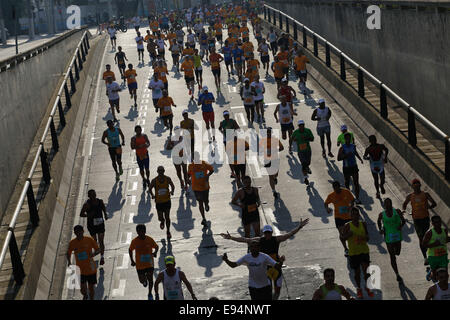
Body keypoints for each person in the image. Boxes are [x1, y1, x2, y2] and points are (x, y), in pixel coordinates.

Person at [221, 220, 309, 300]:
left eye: (269, 233)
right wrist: (231, 237)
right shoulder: (259, 240)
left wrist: (299, 227)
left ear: (271, 233)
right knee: (268, 291)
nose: (267, 235)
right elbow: (245, 240)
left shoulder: (276, 239)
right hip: (266, 268)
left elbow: (289, 234)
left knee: (277, 291)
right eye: (266, 233)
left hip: (276, 267)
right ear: (263, 233)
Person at [341, 207, 375, 299]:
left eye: (356, 214)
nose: (355, 216)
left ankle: (367, 288)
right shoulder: (347, 226)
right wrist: (348, 235)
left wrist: (364, 238)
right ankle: (359, 289)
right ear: (350, 216)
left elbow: (368, 237)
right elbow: (342, 238)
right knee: (357, 273)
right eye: (353, 214)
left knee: (366, 272)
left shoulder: (363, 224)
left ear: (359, 215)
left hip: (364, 251)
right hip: (353, 253)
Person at [402, 178, 437, 265]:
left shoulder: (425, 194)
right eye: (415, 186)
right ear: (412, 187)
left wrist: (428, 208)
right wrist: (403, 210)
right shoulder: (410, 196)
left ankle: (429, 255)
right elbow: (404, 204)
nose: (416, 188)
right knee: (421, 238)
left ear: (420, 186)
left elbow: (434, 203)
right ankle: (425, 257)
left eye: (418, 186)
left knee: (426, 237)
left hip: (425, 219)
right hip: (416, 220)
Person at [67, 225, 100, 300]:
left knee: (91, 288)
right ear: (75, 233)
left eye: (79, 232)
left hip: (91, 269)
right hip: (80, 270)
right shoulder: (72, 243)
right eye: (76, 232)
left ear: (83, 231)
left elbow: (98, 249)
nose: (78, 234)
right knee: (82, 289)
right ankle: (85, 295)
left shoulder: (89, 240)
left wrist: (94, 254)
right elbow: (68, 253)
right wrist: (69, 262)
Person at [377, 198, 406, 282]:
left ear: (391, 203)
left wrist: (400, 226)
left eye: (389, 203)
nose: (387, 205)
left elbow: (403, 221)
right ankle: (397, 274)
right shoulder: (381, 214)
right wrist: (381, 229)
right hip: (388, 238)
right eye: (386, 203)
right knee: (392, 256)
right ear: (384, 205)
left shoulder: (397, 211)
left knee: (397, 252)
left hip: (397, 236)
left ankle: (396, 252)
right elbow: (378, 221)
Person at [324, 181, 356, 256]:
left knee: (350, 232)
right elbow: (325, 203)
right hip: (338, 217)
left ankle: (352, 246)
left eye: (337, 189)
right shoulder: (331, 195)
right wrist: (327, 209)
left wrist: (351, 207)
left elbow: (352, 200)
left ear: (339, 187)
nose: (336, 190)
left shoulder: (346, 192)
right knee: (342, 233)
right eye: (335, 189)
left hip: (348, 216)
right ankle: (345, 249)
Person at [129, 224, 159, 300]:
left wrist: (155, 252)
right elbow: (130, 250)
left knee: (151, 280)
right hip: (140, 265)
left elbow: (156, 246)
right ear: (137, 232)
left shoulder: (149, 239)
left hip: (149, 264)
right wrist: (132, 260)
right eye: (139, 232)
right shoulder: (134, 241)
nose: (141, 233)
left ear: (145, 231)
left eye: (143, 231)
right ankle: (144, 280)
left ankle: (150, 293)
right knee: (142, 280)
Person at [80, 190, 108, 266]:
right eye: (91, 195)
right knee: (94, 241)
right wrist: (88, 215)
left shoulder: (100, 201)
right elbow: (81, 214)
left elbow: (103, 208)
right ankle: (97, 250)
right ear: (89, 196)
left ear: (96, 194)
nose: (93, 196)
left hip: (100, 224)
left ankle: (102, 257)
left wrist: (105, 214)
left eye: (94, 194)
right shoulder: (87, 205)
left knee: (101, 240)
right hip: (91, 225)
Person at [187, 152, 215, 227]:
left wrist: (208, 175)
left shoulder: (204, 164)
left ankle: (207, 204)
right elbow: (188, 174)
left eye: (197, 158)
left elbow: (212, 170)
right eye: (194, 158)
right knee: (200, 202)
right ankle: (203, 218)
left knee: (206, 200)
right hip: (196, 188)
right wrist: (188, 180)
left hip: (205, 186)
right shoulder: (190, 166)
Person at [149, 166, 175, 239]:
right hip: (159, 202)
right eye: (159, 171)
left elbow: (172, 186)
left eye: (162, 171)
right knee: (160, 217)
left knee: (167, 217)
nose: (161, 172)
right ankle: (162, 221)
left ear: (164, 171)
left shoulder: (167, 179)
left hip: (167, 201)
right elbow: (150, 189)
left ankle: (168, 231)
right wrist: (152, 195)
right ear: (157, 172)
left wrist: (172, 191)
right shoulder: (154, 180)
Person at [338, 132, 364, 204]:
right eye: (347, 138)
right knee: (347, 183)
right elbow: (338, 158)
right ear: (345, 139)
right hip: (346, 167)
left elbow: (355, 152)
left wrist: (360, 159)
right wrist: (346, 155)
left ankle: (357, 199)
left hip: (354, 166)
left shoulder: (353, 146)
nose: (348, 140)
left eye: (350, 138)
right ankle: (349, 198)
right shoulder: (342, 148)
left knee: (356, 183)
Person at [259, 127, 284, 199]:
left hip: (275, 159)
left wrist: (275, 150)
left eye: (269, 132)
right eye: (267, 132)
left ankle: (275, 177)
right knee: (270, 176)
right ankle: (273, 191)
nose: (268, 133)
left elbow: (282, 148)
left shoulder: (275, 139)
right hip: (267, 160)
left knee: (275, 174)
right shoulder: (263, 140)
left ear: (272, 132)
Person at [423, 215, 449, 282]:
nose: (438, 224)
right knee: (435, 276)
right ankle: (430, 273)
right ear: (432, 223)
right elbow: (424, 244)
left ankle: (444, 290)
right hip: (433, 256)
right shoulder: (429, 233)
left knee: (445, 274)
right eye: (435, 222)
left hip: (443, 255)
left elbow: (446, 239)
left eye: (439, 222)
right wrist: (434, 244)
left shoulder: (444, 231)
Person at [291, 120, 314, 185]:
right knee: (303, 164)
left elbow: (312, 139)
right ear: (298, 126)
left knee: (308, 163)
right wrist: (293, 141)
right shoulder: (296, 132)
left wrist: (307, 138)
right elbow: (292, 138)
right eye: (300, 126)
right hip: (300, 151)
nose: (301, 127)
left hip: (307, 150)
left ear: (304, 125)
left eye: (302, 125)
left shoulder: (308, 131)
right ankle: (305, 178)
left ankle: (307, 167)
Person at [167, 126, 190, 191]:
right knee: (178, 171)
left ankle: (186, 184)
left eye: (179, 131)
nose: (178, 132)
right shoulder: (172, 139)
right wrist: (172, 146)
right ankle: (181, 180)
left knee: (185, 171)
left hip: (183, 156)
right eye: (176, 131)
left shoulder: (184, 138)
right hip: (176, 157)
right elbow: (167, 147)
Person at [130, 125, 151, 189]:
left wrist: (145, 145)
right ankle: (144, 179)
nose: (138, 131)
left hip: (145, 154)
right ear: (135, 131)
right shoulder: (133, 138)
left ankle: (147, 179)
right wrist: (139, 146)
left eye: (139, 130)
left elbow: (148, 143)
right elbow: (132, 147)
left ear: (141, 130)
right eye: (137, 130)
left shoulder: (144, 136)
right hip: (139, 155)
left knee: (147, 169)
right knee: (141, 169)